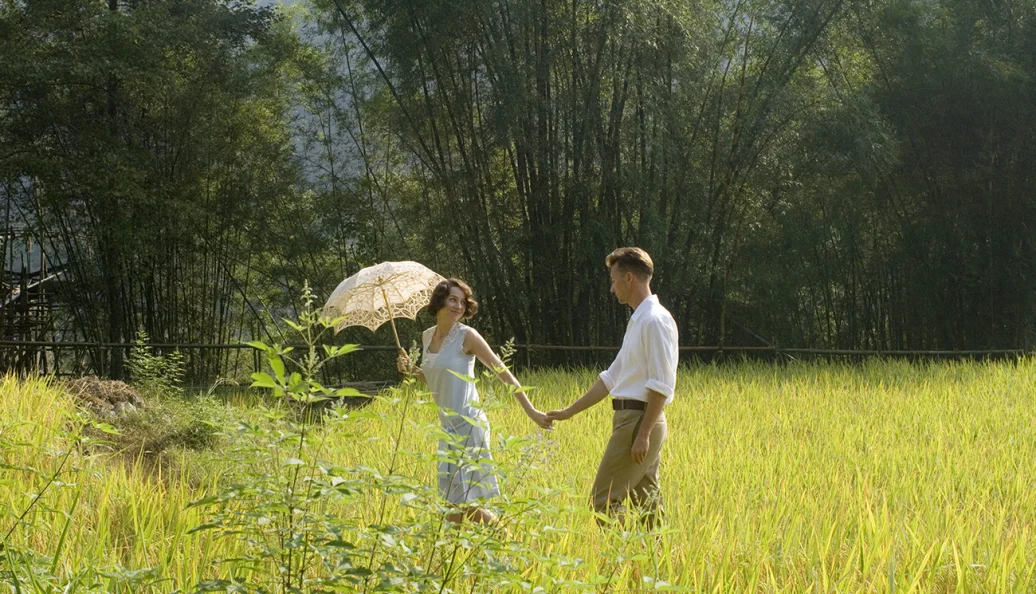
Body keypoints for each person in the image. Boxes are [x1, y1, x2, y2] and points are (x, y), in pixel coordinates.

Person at [397, 278, 552, 524]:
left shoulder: (467, 336)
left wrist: (530, 410)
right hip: (447, 429)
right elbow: (432, 377)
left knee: (461, 504)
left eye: (462, 301)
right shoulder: (427, 337)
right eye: (452, 300)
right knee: (452, 505)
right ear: (439, 301)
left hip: (469, 424)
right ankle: (462, 552)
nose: (458, 306)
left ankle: (501, 536)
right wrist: (411, 370)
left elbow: (502, 372)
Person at [547, 248, 678, 527]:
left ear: (629, 278)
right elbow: (610, 378)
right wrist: (570, 411)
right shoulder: (639, 321)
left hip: (639, 421)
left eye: (613, 279)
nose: (611, 288)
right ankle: (655, 563)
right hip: (634, 421)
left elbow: (661, 384)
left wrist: (642, 434)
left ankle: (624, 561)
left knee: (603, 500)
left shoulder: (655, 320)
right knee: (647, 504)